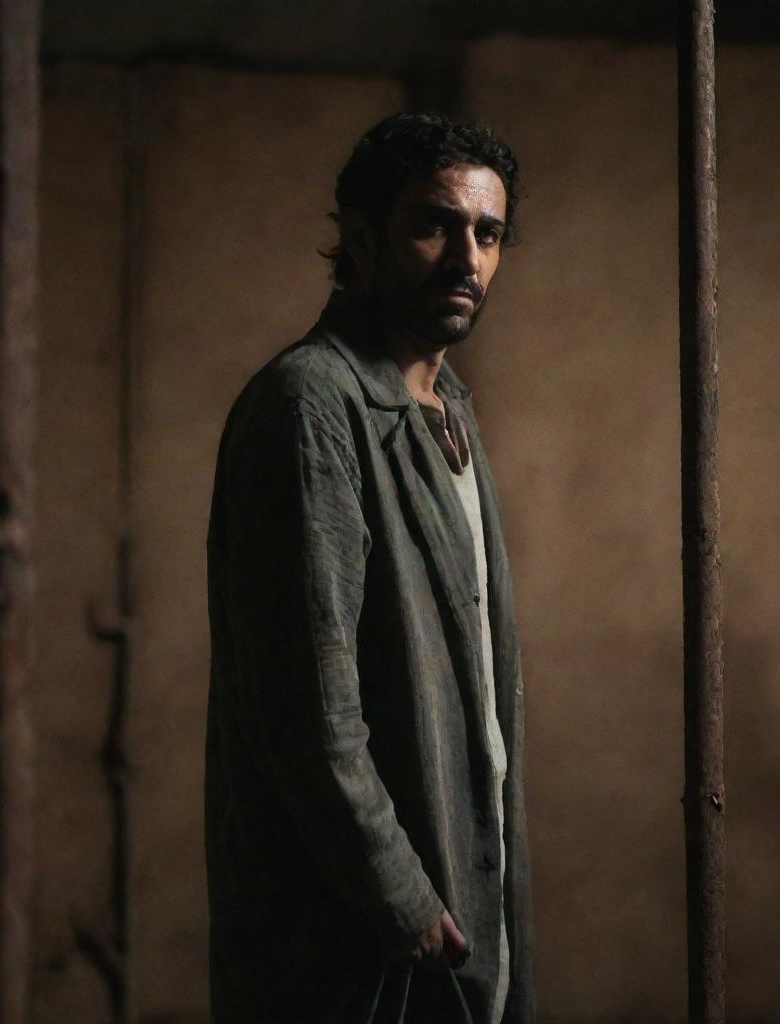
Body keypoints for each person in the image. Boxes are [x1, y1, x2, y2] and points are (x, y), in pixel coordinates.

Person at [205, 112, 534, 1024]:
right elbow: (309, 708)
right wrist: (402, 898)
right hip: (358, 952)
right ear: (358, 237)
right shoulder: (313, 407)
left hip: (460, 913)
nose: (467, 258)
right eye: (435, 225)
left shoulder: (446, 404)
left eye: (489, 233)